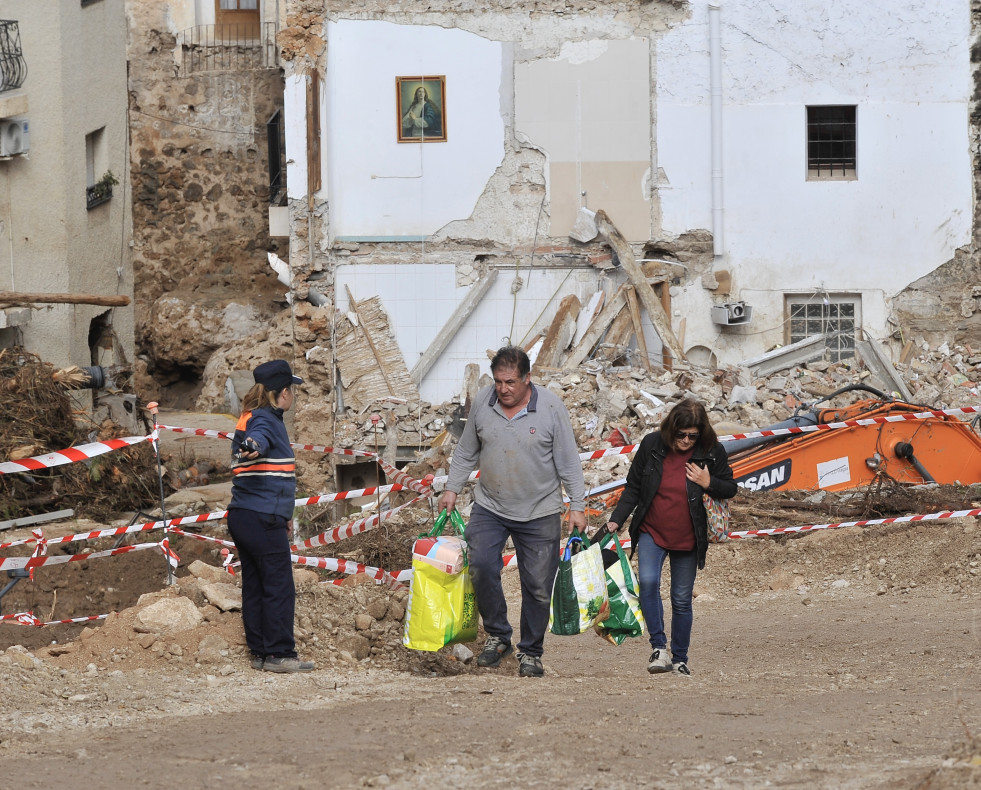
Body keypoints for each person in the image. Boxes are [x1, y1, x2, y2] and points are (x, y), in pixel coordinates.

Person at [438, 346, 586, 678]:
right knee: (480, 566)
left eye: (511, 382)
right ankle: (498, 635)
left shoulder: (550, 408)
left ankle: (531, 651)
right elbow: (465, 452)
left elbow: (569, 461)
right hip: (490, 506)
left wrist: (577, 505)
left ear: (527, 379)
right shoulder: (483, 404)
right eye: (499, 381)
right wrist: (451, 487)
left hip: (541, 510)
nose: (503, 389)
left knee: (537, 584)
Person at [603, 398, 736, 676]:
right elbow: (634, 488)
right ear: (670, 429)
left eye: (693, 435)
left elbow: (730, 488)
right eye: (681, 434)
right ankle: (658, 648)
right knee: (648, 583)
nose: (686, 440)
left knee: (681, 598)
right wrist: (617, 520)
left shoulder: (712, 452)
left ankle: (680, 658)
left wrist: (707, 482)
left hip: (689, 537)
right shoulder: (652, 446)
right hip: (653, 529)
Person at [227, 359, 314, 673]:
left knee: (255, 584)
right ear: (283, 393)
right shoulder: (265, 420)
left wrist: (285, 514)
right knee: (278, 585)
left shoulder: (248, 416)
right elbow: (258, 439)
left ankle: (261, 653)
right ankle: (279, 653)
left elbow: (266, 467)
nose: (293, 396)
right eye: (291, 390)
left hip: (244, 514)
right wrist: (254, 445)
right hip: (261, 518)